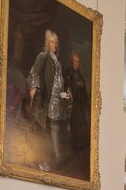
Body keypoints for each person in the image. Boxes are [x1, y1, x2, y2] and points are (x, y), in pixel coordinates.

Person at [28, 29, 69, 163]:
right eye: (51, 42)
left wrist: (65, 95)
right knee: (43, 128)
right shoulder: (43, 56)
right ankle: (43, 157)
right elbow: (34, 71)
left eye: (55, 42)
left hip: (57, 99)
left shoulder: (58, 62)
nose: (54, 45)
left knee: (55, 127)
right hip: (47, 98)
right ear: (47, 43)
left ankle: (56, 155)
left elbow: (59, 82)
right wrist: (33, 87)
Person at [63, 50, 88, 154]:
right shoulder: (66, 74)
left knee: (76, 127)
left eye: (77, 61)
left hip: (77, 107)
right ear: (71, 62)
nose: (76, 63)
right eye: (74, 61)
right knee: (65, 125)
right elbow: (63, 87)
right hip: (66, 103)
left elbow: (85, 96)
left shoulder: (81, 77)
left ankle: (74, 148)